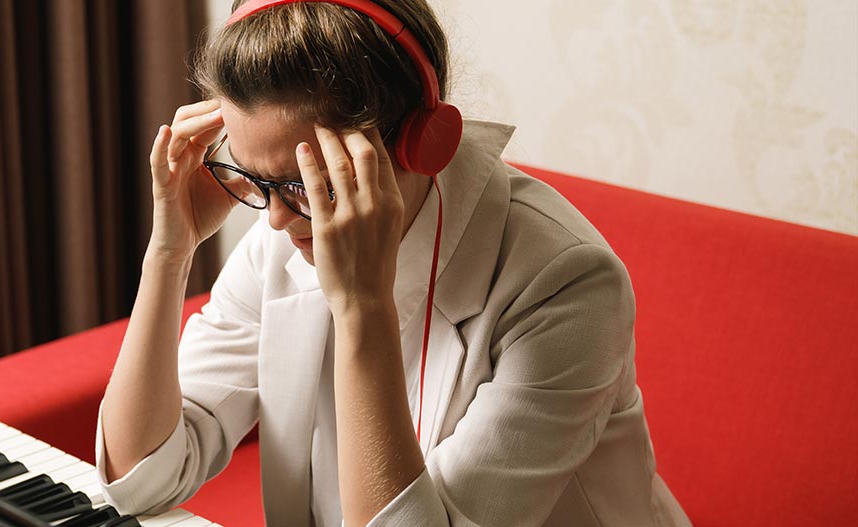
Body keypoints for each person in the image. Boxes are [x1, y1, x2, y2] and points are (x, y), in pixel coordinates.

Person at [95, 1, 691, 525]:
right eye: (255, 178)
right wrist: (170, 253)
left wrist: (362, 306)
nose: (273, 219)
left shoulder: (568, 288)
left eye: (307, 183)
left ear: (420, 143)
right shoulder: (281, 236)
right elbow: (139, 479)